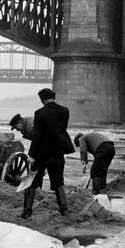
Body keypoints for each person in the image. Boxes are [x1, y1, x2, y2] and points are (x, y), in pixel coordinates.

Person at [21, 88, 73, 219]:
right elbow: (60, 131)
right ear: (53, 97)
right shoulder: (65, 111)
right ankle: (64, 210)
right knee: (58, 181)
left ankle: (27, 211)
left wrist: (32, 155)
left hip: (42, 153)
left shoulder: (39, 113)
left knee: (33, 181)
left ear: (42, 99)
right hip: (58, 152)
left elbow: (37, 135)